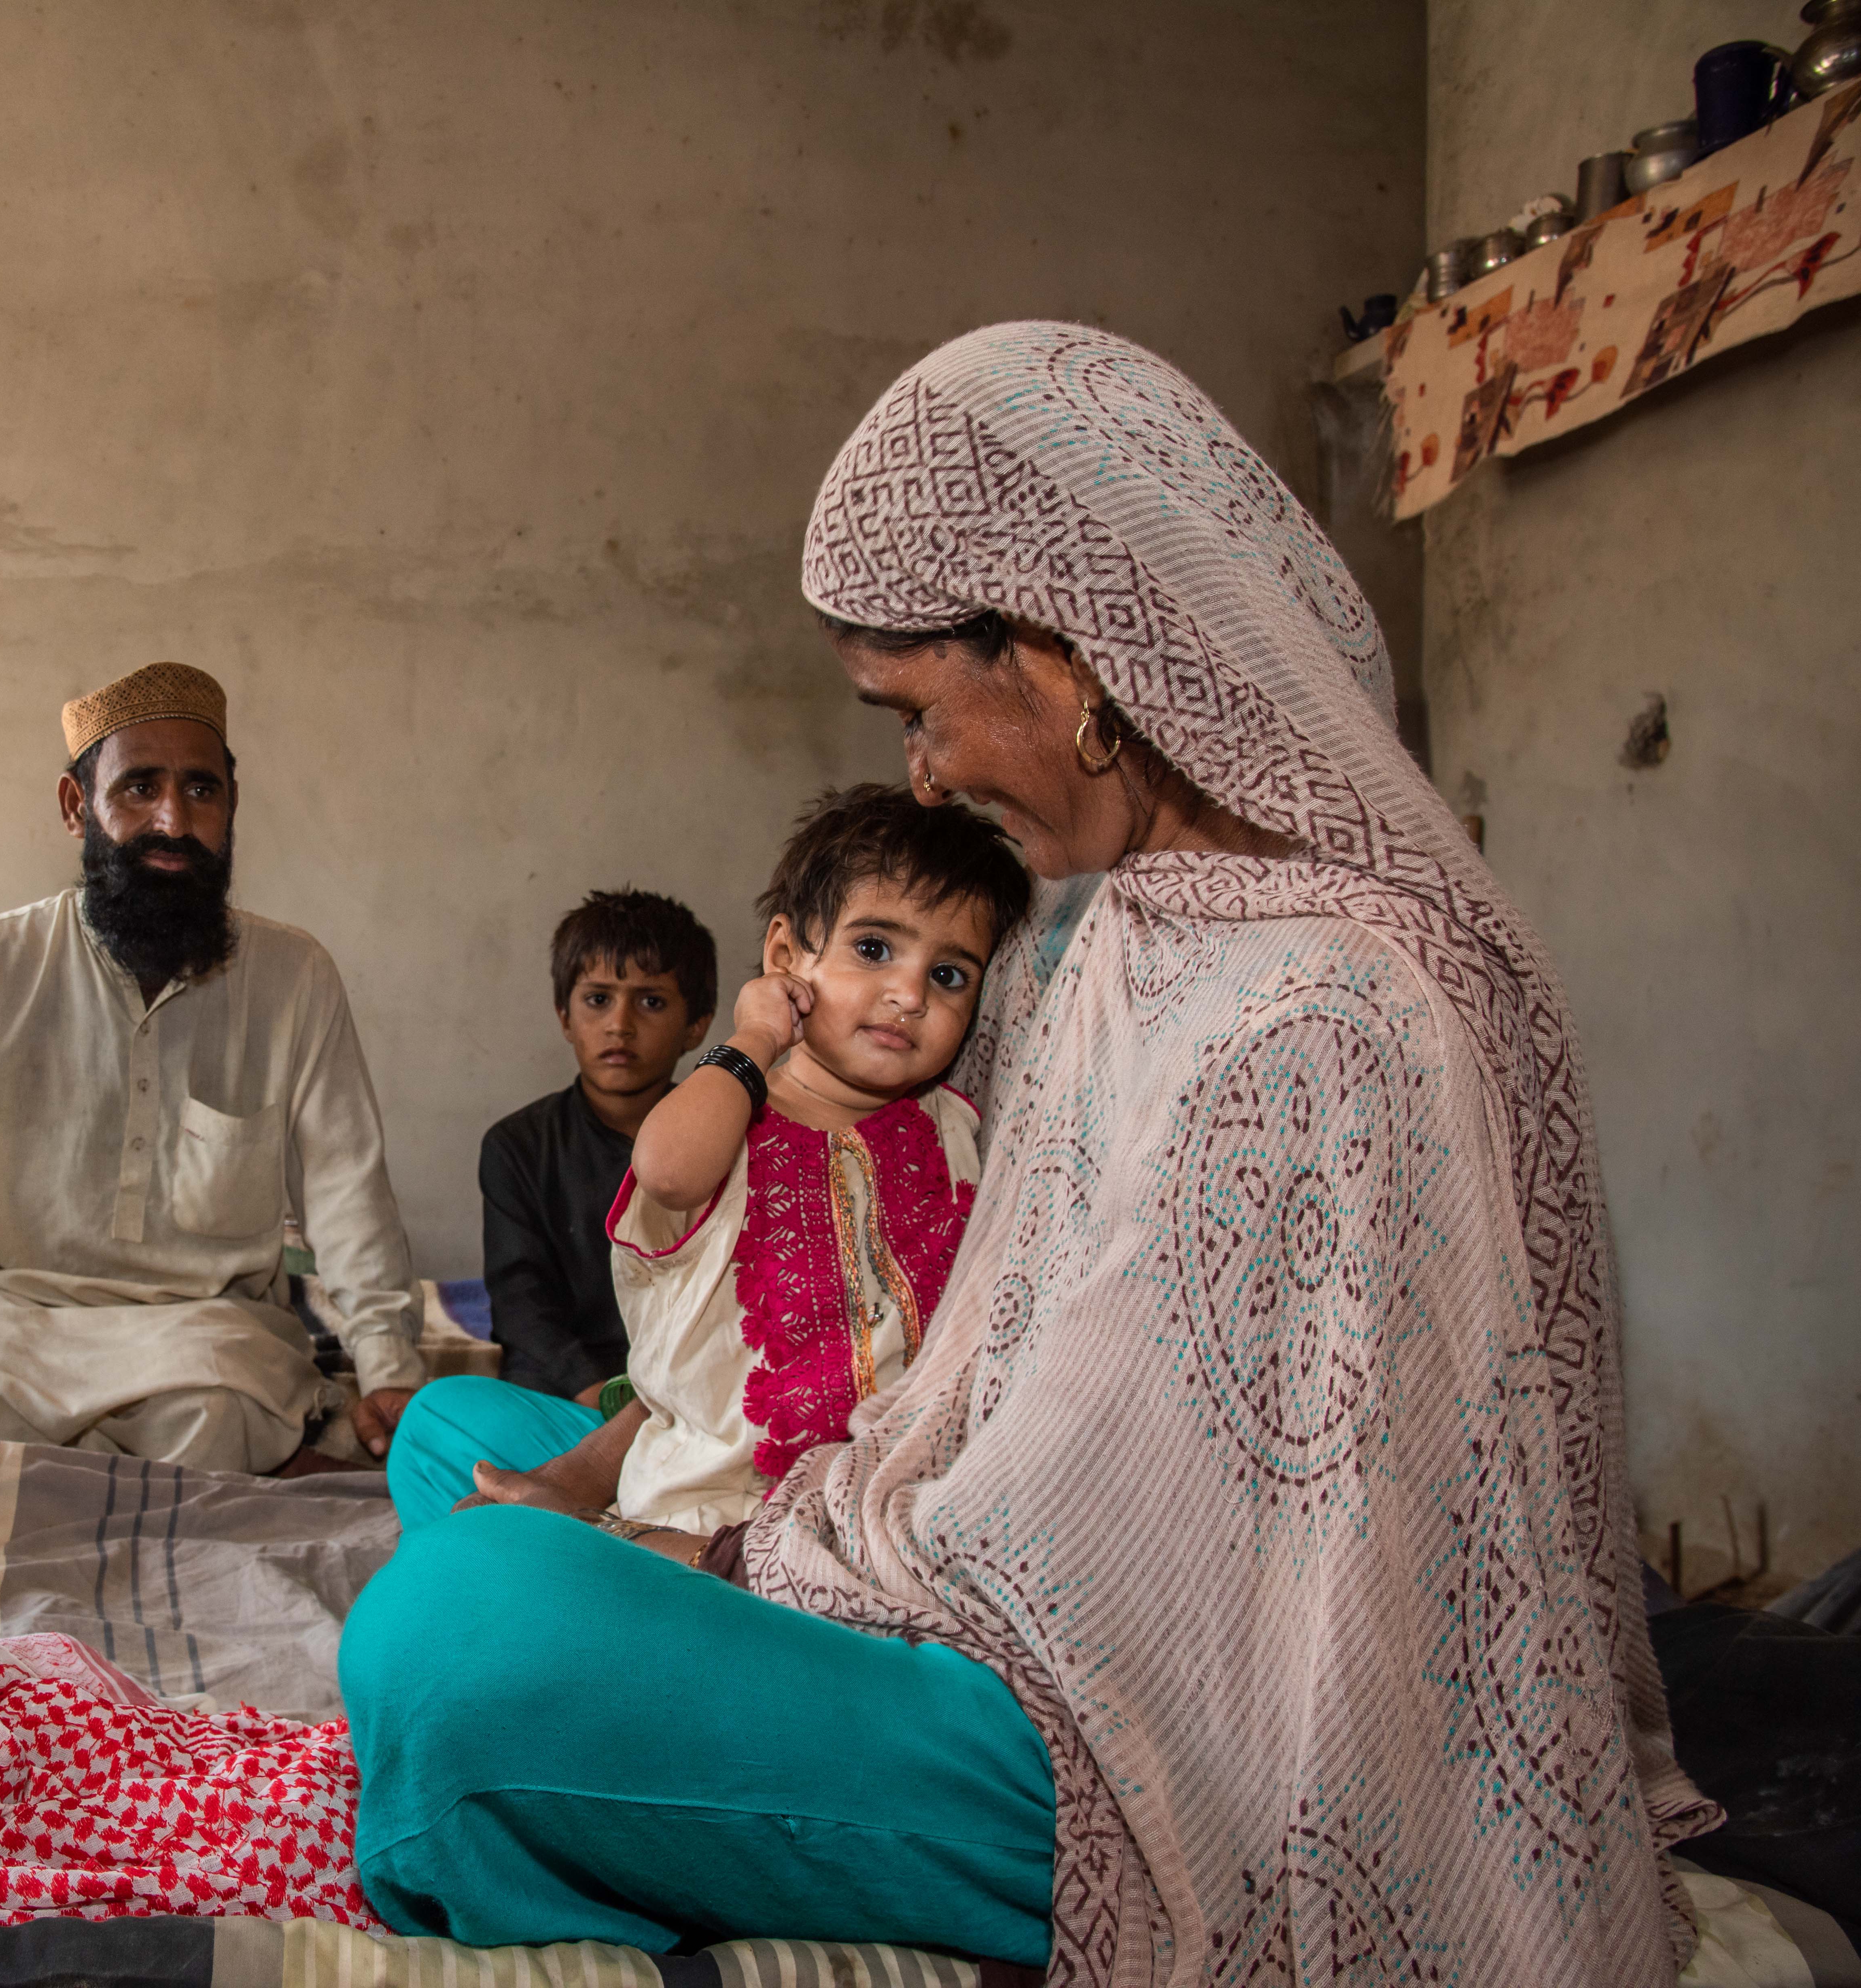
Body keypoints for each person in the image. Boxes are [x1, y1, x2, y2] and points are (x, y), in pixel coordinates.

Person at [340, 325, 1719, 1981]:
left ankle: (626, 1721)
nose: (917, 773)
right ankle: (643, 1702)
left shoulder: (1331, 1011)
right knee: (458, 1439)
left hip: (1105, 1737)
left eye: (917, 711)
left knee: (453, 1625)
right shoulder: (1103, 940)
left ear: (1072, 665)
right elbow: (947, 1348)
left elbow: (1112, 1548)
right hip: (940, 1551)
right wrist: (694, 1498)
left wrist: (732, 1550)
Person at [0, 661, 427, 1473]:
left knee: (222, 1415)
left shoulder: (293, 975)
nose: (173, 818)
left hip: (201, 1326)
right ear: (74, 806)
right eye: (138, 788)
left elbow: (346, 1190)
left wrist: (388, 1365)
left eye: (201, 790)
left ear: (232, 807)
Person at [386, 787, 1024, 1536]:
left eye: (950, 975)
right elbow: (670, 1171)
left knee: (448, 1592)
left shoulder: (952, 1124)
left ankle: (581, 1561)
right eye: (874, 949)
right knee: (441, 1427)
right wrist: (756, 1036)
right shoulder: (725, 1113)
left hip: (873, 1504)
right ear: (786, 958)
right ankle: (584, 1555)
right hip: (706, 1499)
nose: (909, 994)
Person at [475, 889, 714, 1401]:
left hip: (687, 1396)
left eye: (651, 1002)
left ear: (696, 1026)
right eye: (597, 999)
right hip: (562, 1394)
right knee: (439, 1416)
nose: (620, 1025)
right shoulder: (518, 1146)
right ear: (565, 1016)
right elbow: (521, 1305)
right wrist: (596, 1396)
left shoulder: (728, 1143)